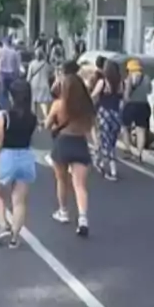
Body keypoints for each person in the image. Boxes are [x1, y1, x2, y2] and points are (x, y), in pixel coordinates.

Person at [0, 79, 38, 248]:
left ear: (12, 96)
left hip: (7, 156)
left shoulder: (5, 116)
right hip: (25, 156)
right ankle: (15, 238)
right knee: (19, 201)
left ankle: (2, 225)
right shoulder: (32, 118)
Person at [46, 70, 95, 237]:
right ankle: (83, 218)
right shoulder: (86, 107)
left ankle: (63, 211)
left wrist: (54, 124)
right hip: (80, 143)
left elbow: (47, 124)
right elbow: (89, 128)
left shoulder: (59, 104)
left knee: (61, 180)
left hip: (62, 142)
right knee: (80, 185)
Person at [91, 57, 124, 181]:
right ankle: (100, 161)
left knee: (104, 140)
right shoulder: (122, 84)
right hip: (116, 115)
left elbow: (93, 95)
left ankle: (111, 169)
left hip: (104, 113)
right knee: (111, 142)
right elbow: (124, 99)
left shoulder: (103, 82)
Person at [122, 58, 152, 162]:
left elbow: (126, 94)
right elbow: (149, 91)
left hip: (131, 105)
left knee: (125, 127)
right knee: (141, 130)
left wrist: (124, 103)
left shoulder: (129, 78)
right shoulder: (146, 78)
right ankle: (139, 154)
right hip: (143, 105)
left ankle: (127, 149)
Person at [26, 46, 53, 125]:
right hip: (44, 84)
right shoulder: (46, 64)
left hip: (34, 84)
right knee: (43, 102)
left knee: (34, 101)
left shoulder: (32, 64)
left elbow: (29, 76)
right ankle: (46, 117)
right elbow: (51, 72)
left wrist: (28, 82)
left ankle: (35, 119)